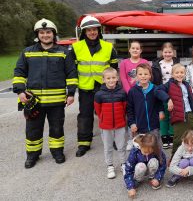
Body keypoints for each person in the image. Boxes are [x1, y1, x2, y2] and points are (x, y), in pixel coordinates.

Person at [13, 18, 78, 168]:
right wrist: (20, 90)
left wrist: (71, 94)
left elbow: (71, 74)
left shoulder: (63, 53)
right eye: (41, 32)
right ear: (38, 34)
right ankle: (32, 155)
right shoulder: (27, 53)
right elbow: (19, 72)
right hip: (34, 101)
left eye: (48, 32)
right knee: (33, 129)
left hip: (57, 102)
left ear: (53, 34)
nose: (45, 35)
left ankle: (57, 152)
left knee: (57, 128)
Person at [71, 15, 118, 157]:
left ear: (99, 30)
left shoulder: (109, 47)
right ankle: (84, 143)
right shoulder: (76, 48)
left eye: (95, 30)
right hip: (86, 87)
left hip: (104, 87)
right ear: (84, 32)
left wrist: (113, 84)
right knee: (85, 115)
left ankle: (114, 139)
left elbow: (114, 68)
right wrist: (71, 90)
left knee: (109, 113)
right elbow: (72, 70)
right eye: (89, 30)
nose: (92, 32)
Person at [155, 64, 193, 156]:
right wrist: (168, 99)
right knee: (178, 140)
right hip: (179, 116)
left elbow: (191, 100)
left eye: (182, 73)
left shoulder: (186, 84)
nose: (179, 75)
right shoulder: (169, 85)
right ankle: (174, 159)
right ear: (172, 74)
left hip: (191, 114)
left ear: (184, 74)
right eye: (177, 73)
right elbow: (157, 91)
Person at [94, 68, 127, 178]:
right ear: (103, 80)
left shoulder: (122, 92)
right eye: (108, 78)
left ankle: (123, 164)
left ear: (117, 78)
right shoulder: (99, 94)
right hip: (106, 126)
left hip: (120, 124)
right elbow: (98, 111)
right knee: (107, 147)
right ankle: (110, 166)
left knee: (121, 146)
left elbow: (125, 107)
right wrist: (103, 119)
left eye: (113, 77)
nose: (111, 80)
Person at [127, 63, 164, 148]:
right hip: (139, 126)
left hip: (153, 125)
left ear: (150, 75)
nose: (143, 76)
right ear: (136, 76)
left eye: (146, 74)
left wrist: (161, 111)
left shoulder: (155, 89)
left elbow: (159, 102)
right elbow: (129, 109)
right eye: (140, 74)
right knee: (141, 148)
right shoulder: (132, 91)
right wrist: (132, 123)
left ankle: (160, 161)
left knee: (156, 147)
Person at [152, 42, 179, 149]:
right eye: (165, 52)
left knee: (173, 114)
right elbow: (154, 79)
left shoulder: (176, 62)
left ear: (173, 53)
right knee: (163, 115)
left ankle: (172, 135)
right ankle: (164, 137)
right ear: (162, 53)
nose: (168, 54)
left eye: (170, 52)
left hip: (174, 91)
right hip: (162, 92)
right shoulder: (157, 64)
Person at [124, 133, 167, 199]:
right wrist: (130, 187)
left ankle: (153, 177)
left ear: (154, 148)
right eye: (144, 152)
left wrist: (157, 178)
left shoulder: (158, 151)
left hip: (151, 167)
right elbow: (128, 170)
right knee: (141, 166)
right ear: (140, 146)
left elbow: (162, 166)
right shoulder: (134, 152)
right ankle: (137, 180)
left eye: (150, 152)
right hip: (139, 169)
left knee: (154, 162)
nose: (147, 154)